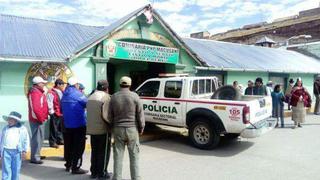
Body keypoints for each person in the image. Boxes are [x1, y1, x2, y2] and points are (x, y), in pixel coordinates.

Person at [108, 76, 145, 180]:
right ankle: (136, 178)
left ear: (120, 84)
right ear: (130, 84)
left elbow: (110, 115)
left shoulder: (114, 97)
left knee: (118, 155)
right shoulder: (135, 96)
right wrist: (141, 127)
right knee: (134, 156)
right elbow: (140, 114)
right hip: (132, 129)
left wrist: (111, 128)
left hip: (118, 129)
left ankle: (117, 177)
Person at [61, 77, 88, 174]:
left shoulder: (64, 94)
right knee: (79, 147)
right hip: (79, 124)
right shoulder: (78, 94)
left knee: (69, 145)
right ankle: (76, 167)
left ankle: (68, 164)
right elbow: (87, 103)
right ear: (76, 85)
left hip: (67, 124)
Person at [86, 80, 112, 179]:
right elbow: (107, 116)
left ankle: (94, 172)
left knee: (95, 151)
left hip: (92, 130)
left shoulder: (90, 97)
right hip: (102, 129)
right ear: (106, 88)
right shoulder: (106, 97)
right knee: (104, 152)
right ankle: (102, 173)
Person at [0, 111, 30, 180]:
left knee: (16, 169)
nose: (9, 121)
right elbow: (1, 140)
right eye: (9, 119)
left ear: (16, 121)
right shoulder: (5, 129)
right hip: (6, 151)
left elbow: (26, 140)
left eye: (11, 119)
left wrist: (24, 151)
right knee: (6, 169)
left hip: (17, 152)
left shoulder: (22, 129)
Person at [28, 76, 49, 164]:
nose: (44, 84)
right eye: (42, 83)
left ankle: (37, 154)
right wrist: (41, 118)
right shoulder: (35, 93)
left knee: (39, 138)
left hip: (39, 119)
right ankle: (35, 157)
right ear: (38, 84)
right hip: (37, 120)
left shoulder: (38, 92)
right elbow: (36, 109)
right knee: (36, 139)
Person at [47, 79, 65, 148]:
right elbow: (49, 103)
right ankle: (52, 142)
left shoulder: (62, 92)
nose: (63, 86)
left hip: (61, 113)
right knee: (53, 128)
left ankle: (59, 140)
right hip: (55, 113)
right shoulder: (51, 92)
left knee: (60, 128)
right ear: (58, 85)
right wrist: (52, 112)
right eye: (62, 84)